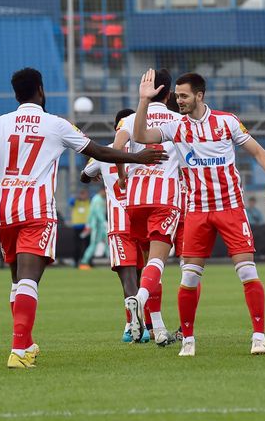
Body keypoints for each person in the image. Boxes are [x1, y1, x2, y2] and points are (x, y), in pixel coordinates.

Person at [0, 67, 168, 369]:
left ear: (16, 94)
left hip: (4, 209)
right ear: (40, 90)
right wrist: (137, 157)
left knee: (17, 282)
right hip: (36, 210)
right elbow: (99, 152)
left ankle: (26, 343)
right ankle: (18, 351)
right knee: (29, 279)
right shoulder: (56, 124)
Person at [133, 69, 265, 357]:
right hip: (197, 212)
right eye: (177, 96)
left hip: (230, 208)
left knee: (248, 271)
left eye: (184, 96)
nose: (180, 101)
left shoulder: (227, 122)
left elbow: (257, 150)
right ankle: (188, 340)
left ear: (200, 95)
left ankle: (259, 337)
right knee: (189, 279)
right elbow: (140, 135)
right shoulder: (176, 126)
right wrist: (143, 100)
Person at [111, 69, 182, 346]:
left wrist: (122, 173)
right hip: (165, 198)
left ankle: (160, 329)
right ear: (169, 93)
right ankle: (138, 298)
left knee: (151, 265)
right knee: (157, 264)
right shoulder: (178, 119)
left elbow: (118, 145)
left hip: (135, 199)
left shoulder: (130, 119)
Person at [81, 108, 152, 343]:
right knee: (145, 276)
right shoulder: (145, 151)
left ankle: (132, 327)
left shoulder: (105, 153)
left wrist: (94, 175)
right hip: (142, 219)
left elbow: (84, 175)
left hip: (119, 223)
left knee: (128, 278)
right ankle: (147, 325)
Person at [78, 188, 107, 269]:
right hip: (96, 226)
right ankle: (84, 262)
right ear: (102, 190)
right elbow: (98, 213)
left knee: (108, 242)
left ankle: (113, 261)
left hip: (99, 226)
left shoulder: (99, 199)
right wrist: (104, 222)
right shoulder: (97, 199)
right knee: (93, 244)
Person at [69, 188, 91, 267]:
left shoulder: (89, 202)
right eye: (82, 194)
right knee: (77, 245)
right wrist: (77, 197)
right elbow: (70, 202)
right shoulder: (76, 202)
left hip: (86, 227)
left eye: (85, 194)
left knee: (87, 245)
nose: (84, 196)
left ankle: (87, 261)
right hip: (77, 227)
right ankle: (76, 262)